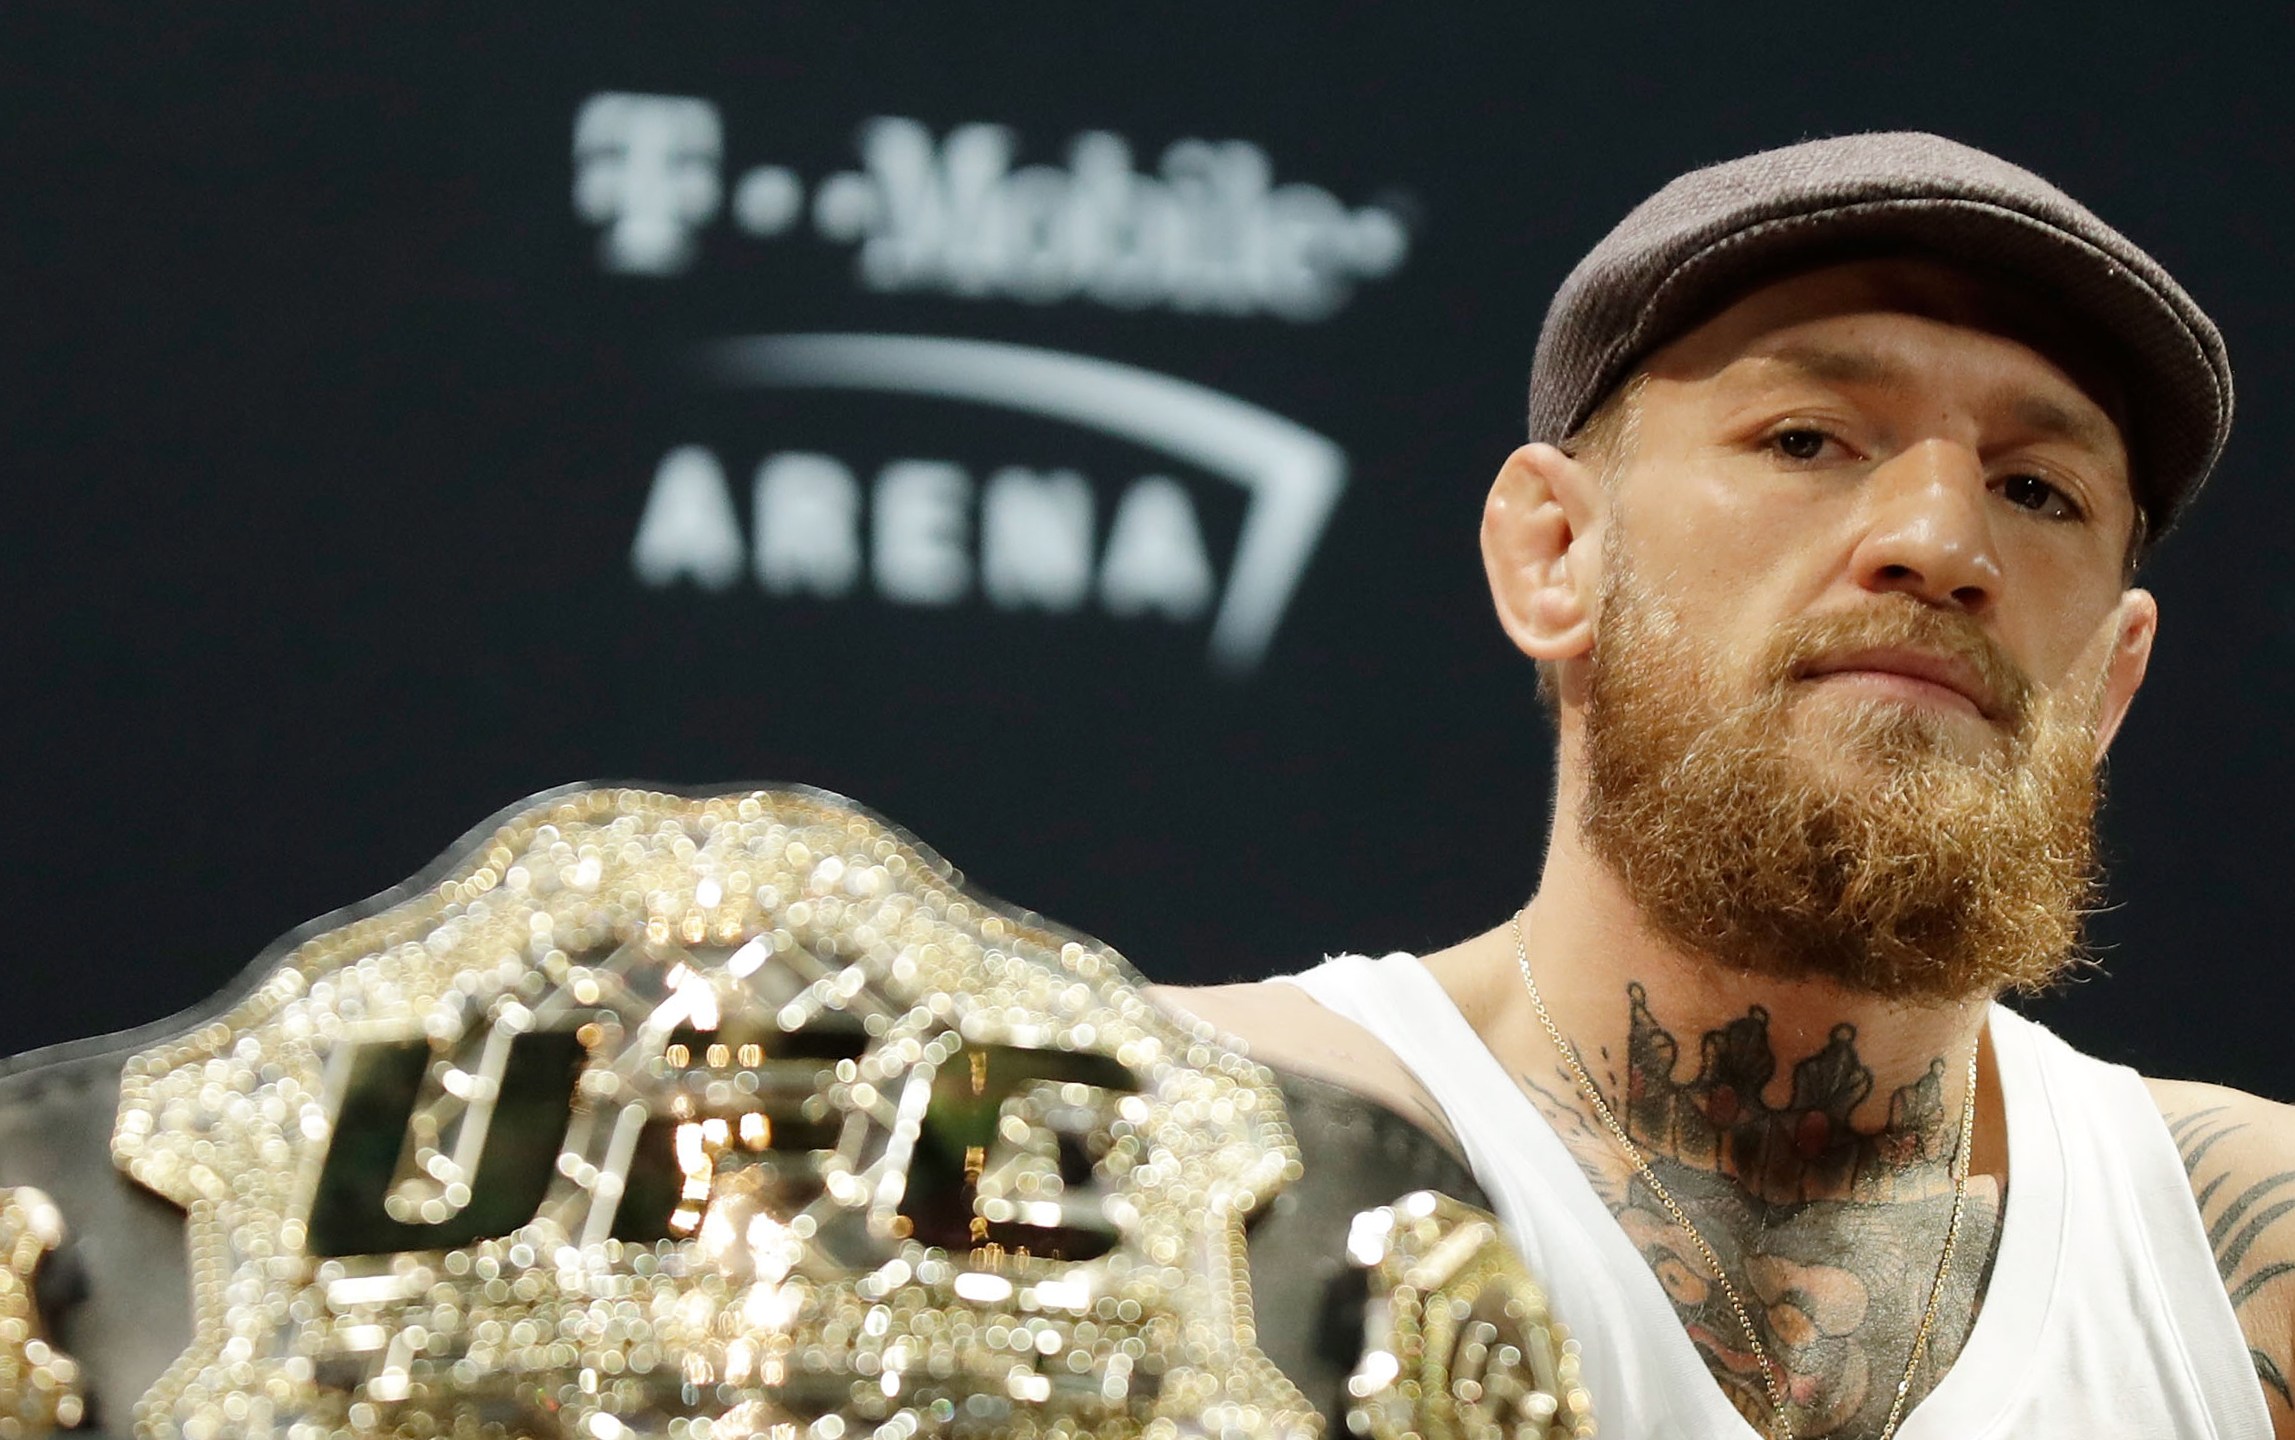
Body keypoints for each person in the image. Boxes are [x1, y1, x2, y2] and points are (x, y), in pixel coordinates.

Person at [1161, 133, 2295, 1439]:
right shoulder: (1193, 1134)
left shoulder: (2252, 1261)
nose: (1939, 545)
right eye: (1807, 438)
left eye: (2036, 487)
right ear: (1555, 553)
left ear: (2111, 682)